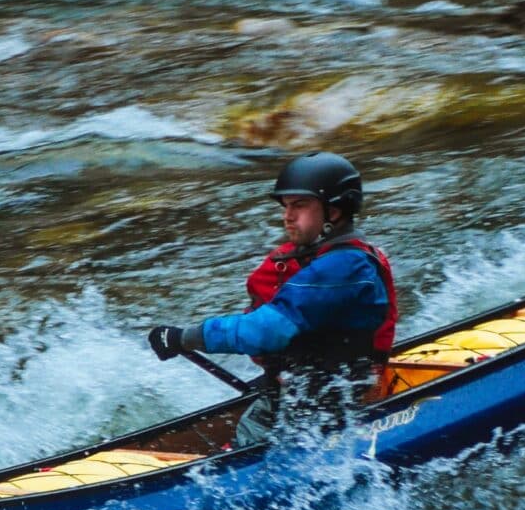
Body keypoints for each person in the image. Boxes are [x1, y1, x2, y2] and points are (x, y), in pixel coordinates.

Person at [145, 152, 398, 443]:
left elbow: (265, 331)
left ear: (335, 211)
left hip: (329, 409)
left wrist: (184, 338)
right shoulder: (324, 259)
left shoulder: (344, 267)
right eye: (286, 206)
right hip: (311, 397)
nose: (287, 216)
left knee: (240, 446)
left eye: (299, 205)